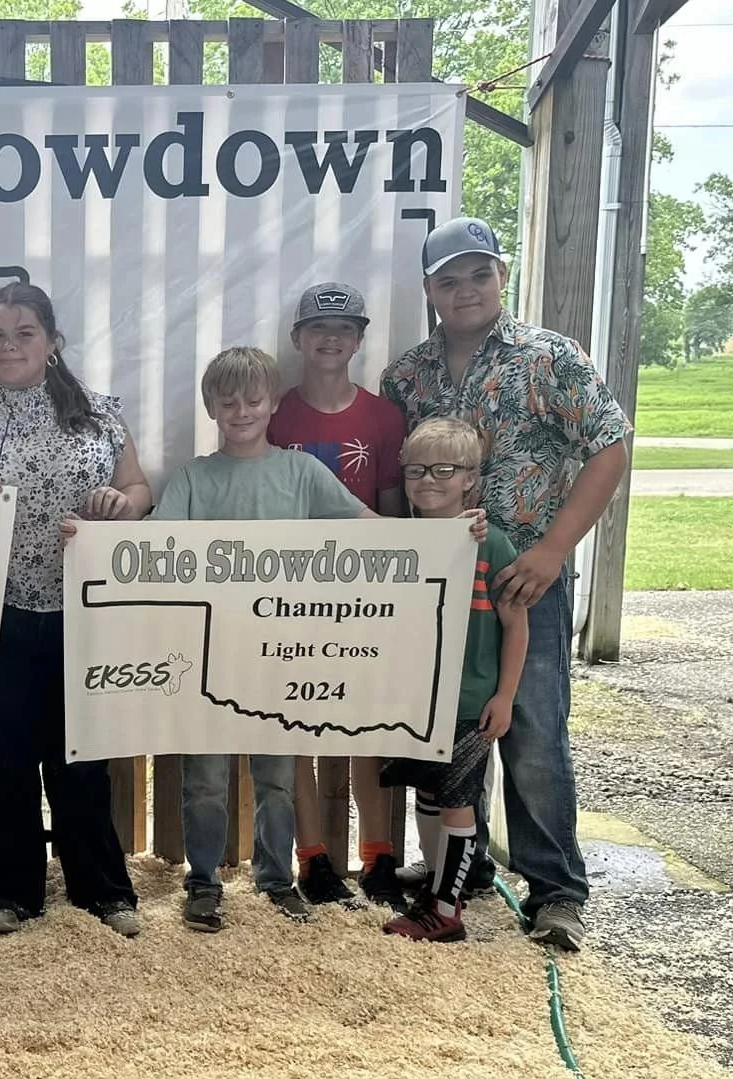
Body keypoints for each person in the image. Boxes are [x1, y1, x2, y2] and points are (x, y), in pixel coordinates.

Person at [379, 216, 633, 953]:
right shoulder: (409, 374)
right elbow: (403, 477)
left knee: (531, 737)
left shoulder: (548, 357)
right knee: (452, 730)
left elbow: (610, 446)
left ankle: (556, 891)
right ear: (428, 290)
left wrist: (554, 549)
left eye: (478, 274)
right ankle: (467, 873)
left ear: (502, 277)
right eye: (448, 279)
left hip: (523, 577)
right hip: (434, 589)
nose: (465, 290)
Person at [0, 283, 150, 939]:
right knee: (2, 756)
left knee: (82, 754)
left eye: (24, 333)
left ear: (53, 342)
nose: (10, 346)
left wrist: (124, 505)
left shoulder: (98, 411)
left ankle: (102, 890)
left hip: (82, 607)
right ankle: (9, 891)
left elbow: (138, 486)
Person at [154, 347, 366, 931]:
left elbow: (367, 529)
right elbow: (149, 547)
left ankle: (276, 880)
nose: (241, 410)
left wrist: (444, 536)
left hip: (282, 654)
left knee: (277, 776)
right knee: (204, 781)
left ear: (274, 402)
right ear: (211, 408)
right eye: (228, 401)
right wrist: (92, 540)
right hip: (208, 657)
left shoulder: (301, 474)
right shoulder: (194, 479)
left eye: (253, 399)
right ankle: (203, 883)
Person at [269, 283, 413, 911]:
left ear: (359, 340)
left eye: (344, 328)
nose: (331, 338)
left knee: (368, 722)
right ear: (298, 339)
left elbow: (391, 509)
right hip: (292, 591)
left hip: (363, 592)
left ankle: (377, 858)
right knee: (294, 721)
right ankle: (313, 859)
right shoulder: (274, 416)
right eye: (318, 328)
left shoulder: (384, 418)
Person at [377, 419, 528, 942]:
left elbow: (516, 626)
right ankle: (437, 880)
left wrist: (505, 695)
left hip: (468, 700)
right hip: (420, 696)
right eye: (416, 470)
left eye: (445, 469)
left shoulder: (493, 546)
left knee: (459, 801)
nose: (428, 480)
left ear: (470, 478)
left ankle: (447, 910)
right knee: (430, 791)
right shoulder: (401, 539)